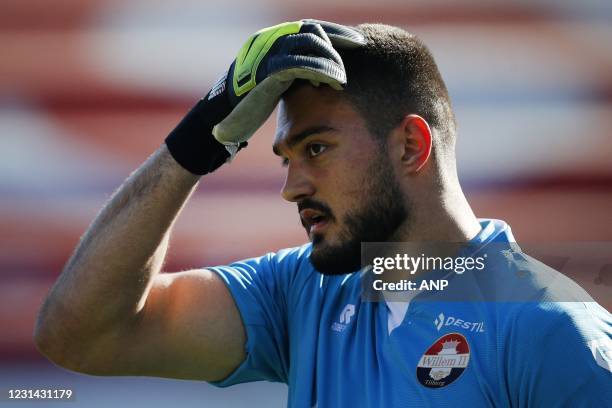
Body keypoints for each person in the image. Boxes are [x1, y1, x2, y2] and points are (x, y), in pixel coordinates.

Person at [34, 20, 611, 407]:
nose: (291, 188)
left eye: (316, 149)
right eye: (285, 158)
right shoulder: (300, 291)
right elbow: (78, 336)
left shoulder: (552, 330)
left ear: (411, 145)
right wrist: (194, 145)